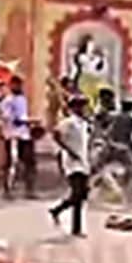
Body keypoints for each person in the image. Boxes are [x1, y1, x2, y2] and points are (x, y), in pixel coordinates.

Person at [48, 94, 92, 237]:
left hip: (83, 160)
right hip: (72, 162)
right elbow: (55, 134)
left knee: (82, 194)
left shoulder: (84, 123)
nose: (82, 109)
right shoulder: (69, 122)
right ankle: (76, 228)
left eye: (83, 106)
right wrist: (67, 149)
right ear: (73, 108)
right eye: (79, 106)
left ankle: (58, 209)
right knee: (78, 193)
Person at [0, 75, 36, 198]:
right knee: (11, 163)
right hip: (13, 135)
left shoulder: (22, 99)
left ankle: (29, 189)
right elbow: (10, 119)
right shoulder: (8, 101)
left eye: (19, 84)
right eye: (15, 84)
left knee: (29, 162)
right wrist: (27, 121)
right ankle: (7, 189)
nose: (18, 87)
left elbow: (23, 116)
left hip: (24, 134)